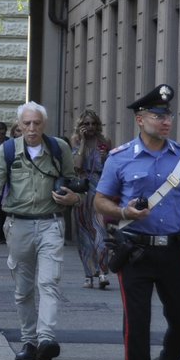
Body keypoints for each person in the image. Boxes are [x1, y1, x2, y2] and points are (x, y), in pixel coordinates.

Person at [94, 84, 180, 360]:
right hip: (136, 253)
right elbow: (100, 200)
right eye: (158, 115)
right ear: (140, 119)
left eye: (168, 115)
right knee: (137, 322)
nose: (166, 121)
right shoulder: (120, 159)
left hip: (174, 251)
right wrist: (123, 213)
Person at [0, 101, 77, 360]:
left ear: (44, 124)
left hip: (50, 223)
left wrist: (73, 197)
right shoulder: (7, 151)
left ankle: (46, 338)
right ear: (19, 125)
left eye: (36, 123)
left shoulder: (58, 148)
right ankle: (29, 341)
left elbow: (74, 183)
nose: (31, 128)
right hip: (19, 225)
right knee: (23, 289)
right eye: (26, 123)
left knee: (48, 283)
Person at [69, 109, 113, 288]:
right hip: (82, 189)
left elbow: (111, 167)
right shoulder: (75, 141)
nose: (91, 127)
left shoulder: (104, 142)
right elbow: (76, 166)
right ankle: (89, 275)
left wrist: (105, 158)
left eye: (94, 123)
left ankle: (103, 273)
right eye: (86, 123)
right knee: (84, 234)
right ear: (80, 126)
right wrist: (82, 145)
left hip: (100, 188)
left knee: (100, 231)